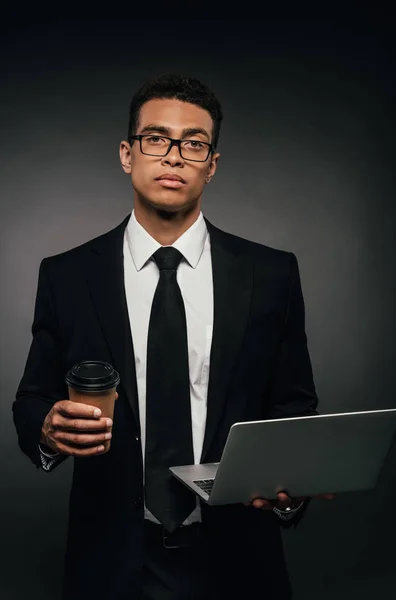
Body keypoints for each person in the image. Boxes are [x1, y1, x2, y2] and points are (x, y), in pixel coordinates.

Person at [13, 73, 334, 600]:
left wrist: (288, 491)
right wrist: (48, 430)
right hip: (109, 558)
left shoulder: (271, 273)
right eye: (156, 139)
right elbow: (31, 399)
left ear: (212, 164)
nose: (174, 156)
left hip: (239, 558)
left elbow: (294, 406)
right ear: (127, 153)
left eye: (194, 143)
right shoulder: (67, 275)